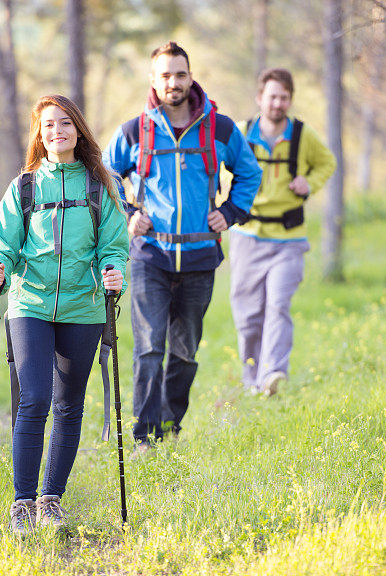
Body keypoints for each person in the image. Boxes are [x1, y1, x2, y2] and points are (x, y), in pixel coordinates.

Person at [0, 94, 130, 535]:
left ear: (78, 130)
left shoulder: (98, 186)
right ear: (39, 133)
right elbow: (4, 242)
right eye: (48, 125)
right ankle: (22, 503)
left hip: (81, 309)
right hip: (29, 304)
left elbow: (114, 244)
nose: (57, 131)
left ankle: (52, 500)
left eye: (65, 123)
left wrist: (113, 270)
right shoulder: (24, 187)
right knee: (34, 399)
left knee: (69, 405)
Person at [104, 41, 262, 449]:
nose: (173, 82)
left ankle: (170, 427)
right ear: (153, 81)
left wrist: (229, 213)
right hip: (150, 257)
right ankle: (144, 438)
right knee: (149, 347)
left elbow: (249, 173)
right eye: (165, 75)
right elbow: (104, 173)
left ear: (190, 77)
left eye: (179, 74)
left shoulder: (220, 128)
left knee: (185, 352)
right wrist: (128, 214)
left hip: (199, 259)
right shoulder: (135, 131)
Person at [230, 68, 337, 396]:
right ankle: (252, 380)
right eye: (272, 96)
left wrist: (309, 184)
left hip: (289, 240)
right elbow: (215, 162)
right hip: (248, 236)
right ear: (260, 98)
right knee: (249, 316)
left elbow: (326, 163)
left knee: (277, 305)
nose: (278, 103)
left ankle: (272, 374)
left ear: (290, 100)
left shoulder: (303, 136)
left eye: (284, 97)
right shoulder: (241, 132)